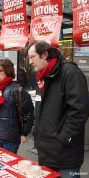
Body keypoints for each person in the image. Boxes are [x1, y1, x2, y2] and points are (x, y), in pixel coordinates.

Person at [28, 41, 89, 178]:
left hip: (65, 154)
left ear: (44, 55)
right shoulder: (42, 76)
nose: (30, 62)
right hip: (45, 151)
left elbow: (79, 111)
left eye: (32, 57)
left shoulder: (71, 72)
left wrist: (64, 138)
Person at [0, 58, 34, 154]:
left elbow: (29, 113)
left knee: (6, 166)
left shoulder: (18, 91)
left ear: (8, 71)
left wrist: (24, 133)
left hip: (10, 139)